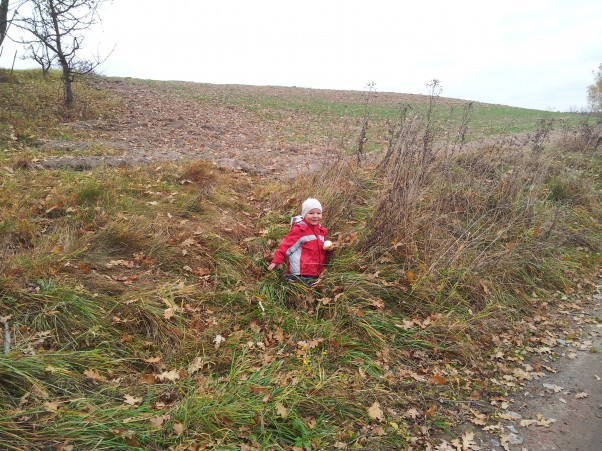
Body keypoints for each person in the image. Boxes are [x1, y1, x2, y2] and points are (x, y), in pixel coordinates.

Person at [267, 198, 334, 285]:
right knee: (299, 293)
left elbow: (322, 252)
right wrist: (277, 260)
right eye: (311, 213)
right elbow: (286, 245)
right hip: (300, 273)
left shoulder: (322, 232)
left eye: (318, 213)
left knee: (311, 294)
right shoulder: (300, 230)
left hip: (315, 272)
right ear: (304, 214)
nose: (315, 216)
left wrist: (329, 250)